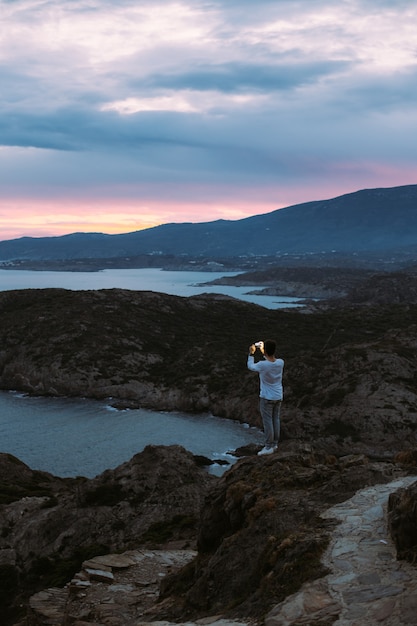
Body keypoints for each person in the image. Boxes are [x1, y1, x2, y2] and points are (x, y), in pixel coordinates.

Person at [247, 339, 284, 456]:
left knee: (268, 422)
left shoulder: (262, 365)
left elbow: (250, 366)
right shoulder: (280, 362)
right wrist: (264, 351)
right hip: (278, 396)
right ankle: (275, 444)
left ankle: (268, 447)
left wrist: (251, 353)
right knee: (275, 419)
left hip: (267, 397)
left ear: (265, 351)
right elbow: (271, 360)